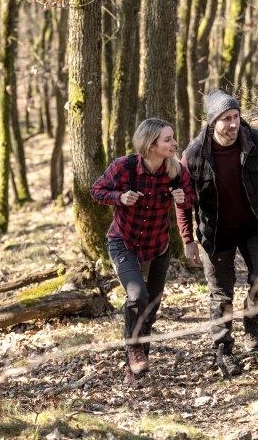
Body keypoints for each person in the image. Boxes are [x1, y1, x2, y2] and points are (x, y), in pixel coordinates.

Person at [176, 90, 258, 376]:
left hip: (255, 227)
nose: (233, 124)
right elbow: (183, 200)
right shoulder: (193, 155)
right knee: (221, 296)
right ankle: (223, 350)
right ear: (212, 122)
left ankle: (251, 322)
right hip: (215, 235)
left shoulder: (256, 142)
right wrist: (188, 239)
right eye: (226, 119)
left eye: (236, 117)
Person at [91, 118, 195, 382]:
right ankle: (134, 348)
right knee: (137, 295)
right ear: (150, 145)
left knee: (152, 304)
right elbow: (97, 190)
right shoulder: (124, 167)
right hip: (123, 241)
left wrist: (184, 199)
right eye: (168, 140)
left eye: (173, 138)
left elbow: (193, 197)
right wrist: (119, 197)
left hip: (158, 245)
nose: (174, 143)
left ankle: (136, 368)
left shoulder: (175, 171)